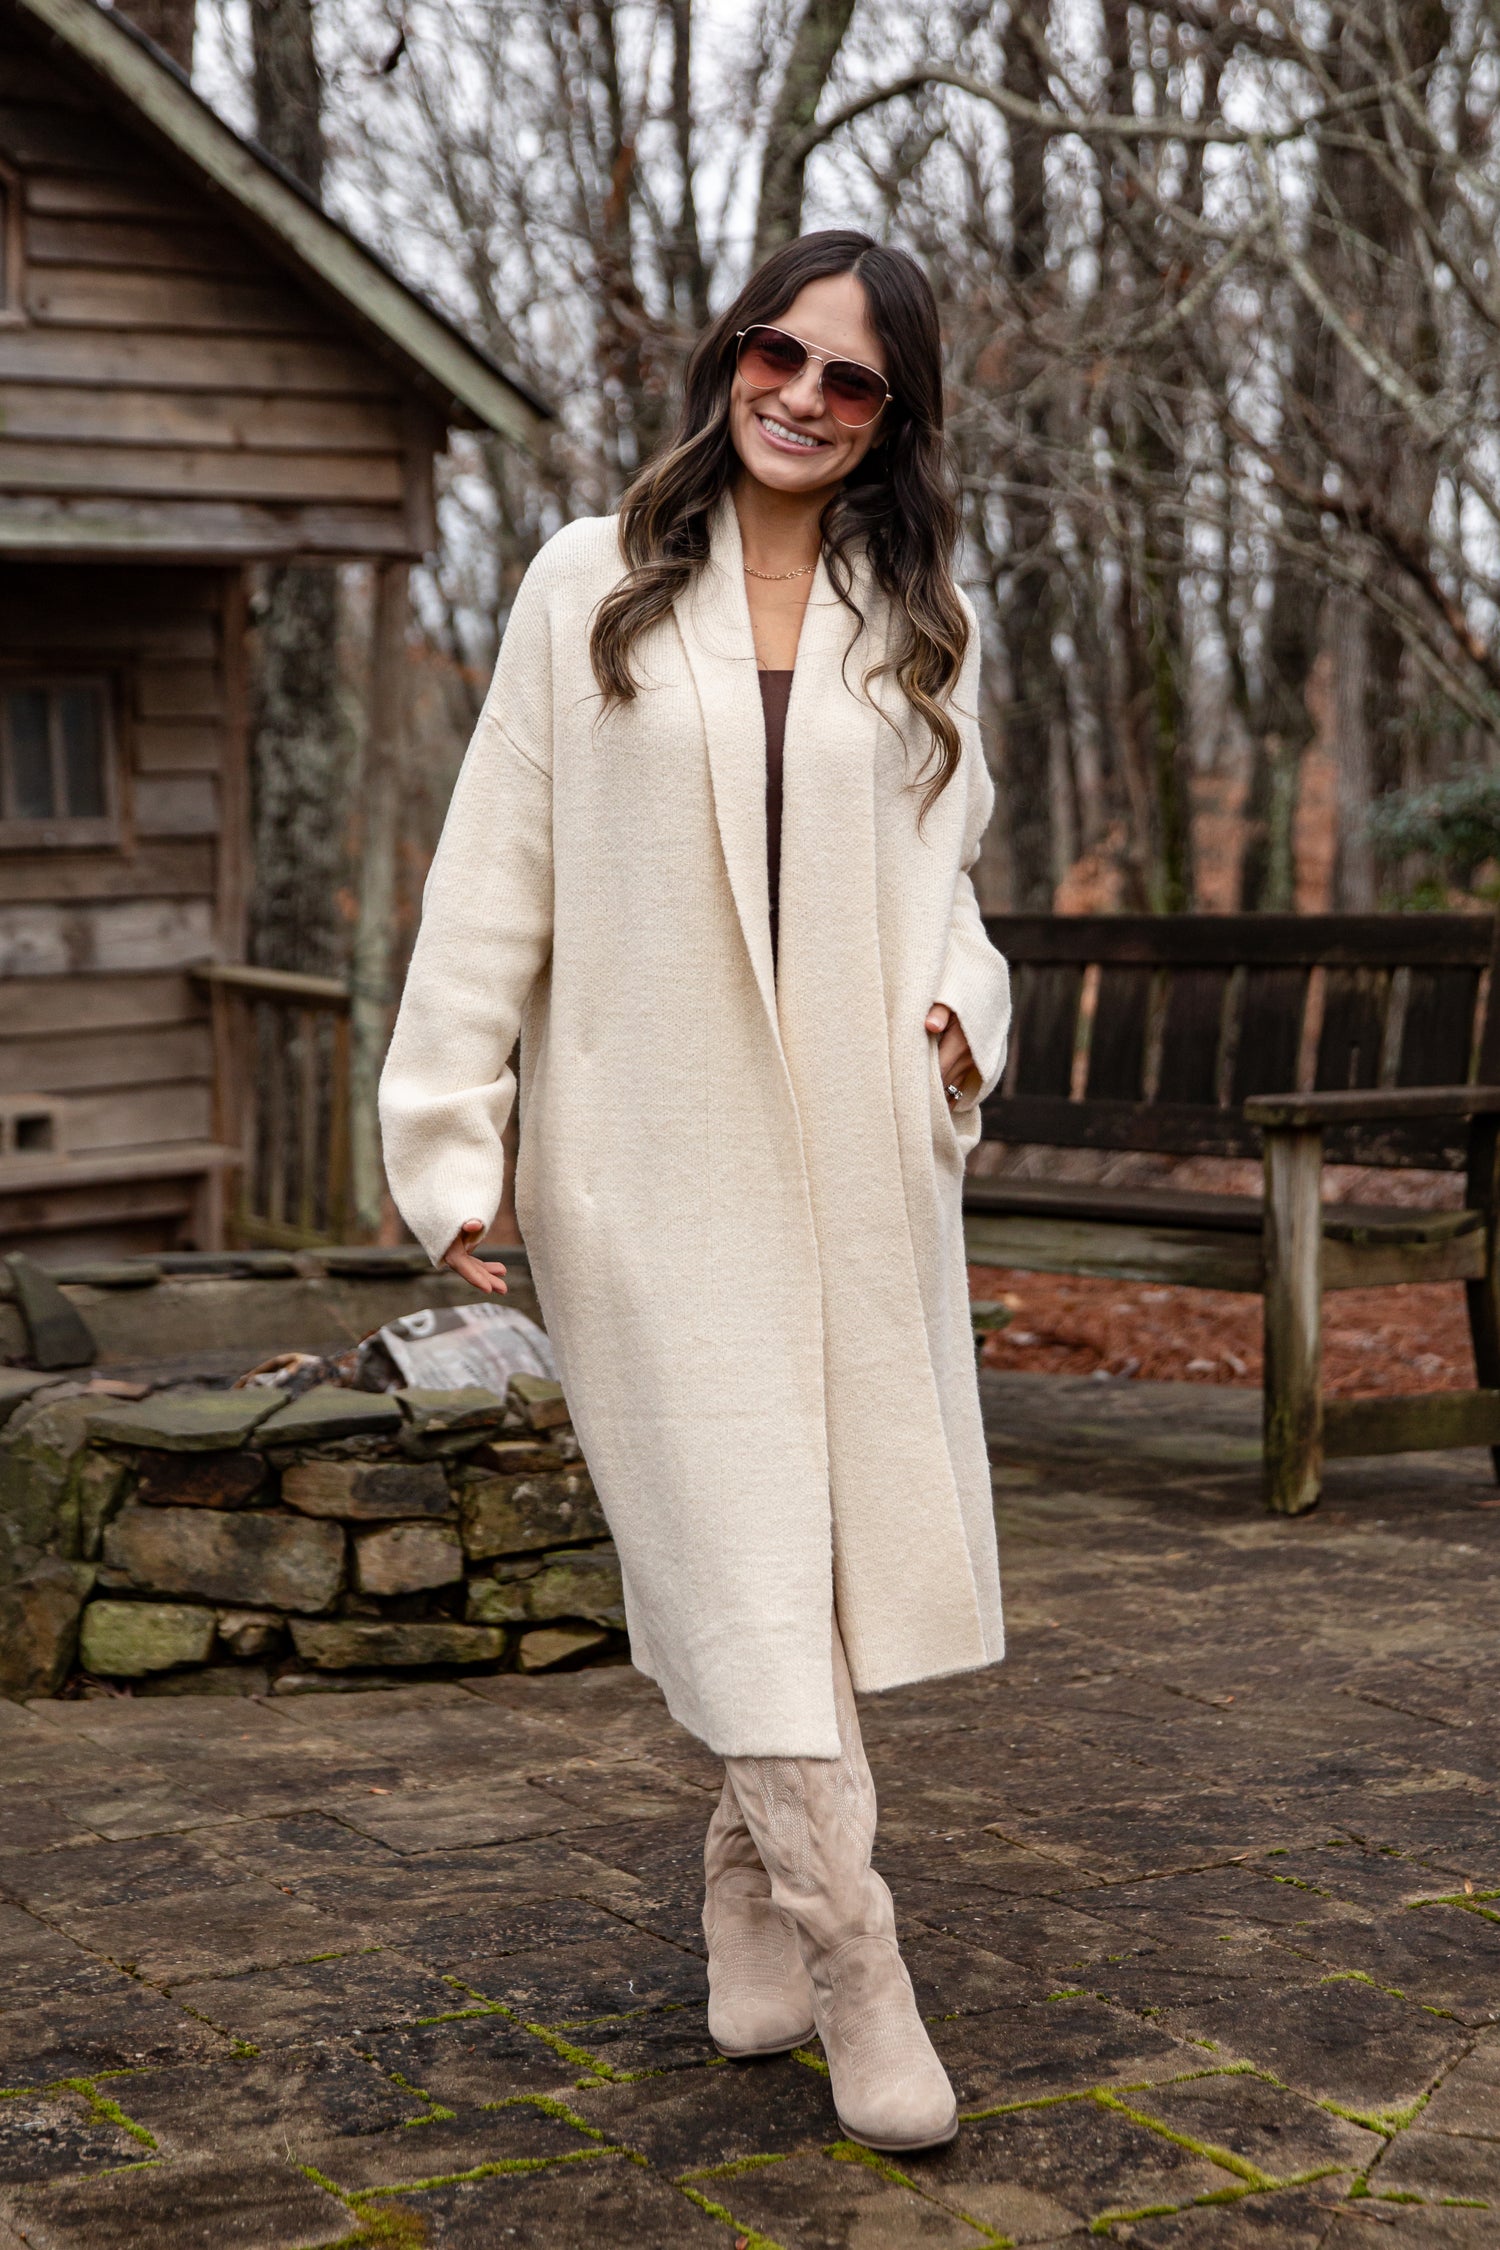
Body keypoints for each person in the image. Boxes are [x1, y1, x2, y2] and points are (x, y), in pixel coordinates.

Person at [379, 229, 1012, 2153]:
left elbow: (951, 886)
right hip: (649, 1167)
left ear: (893, 419)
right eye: (779, 354)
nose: (803, 399)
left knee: (798, 1573)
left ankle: (747, 1879)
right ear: (728, 355)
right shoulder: (589, 584)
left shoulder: (923, 621)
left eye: (851, 381)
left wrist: (951, 1024)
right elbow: (491, 874)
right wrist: (447, 1134)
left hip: (851, 1165)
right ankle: (857, 1956)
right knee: (740, 1549)